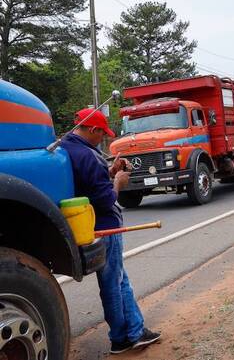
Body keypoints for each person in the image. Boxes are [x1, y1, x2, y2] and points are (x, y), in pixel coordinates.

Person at [61, 108, 161, 354]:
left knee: (118, 279)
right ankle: (123, 337)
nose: (103, 139)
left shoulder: (67, 149)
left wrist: (109, 172)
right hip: (106, 227)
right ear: (92, 129)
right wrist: (118, 182)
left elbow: (89, 187)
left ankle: (135, 331)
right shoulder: (88, 156)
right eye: (101, 134)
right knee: (114, 284)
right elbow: (105, 200)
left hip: (88, 225)